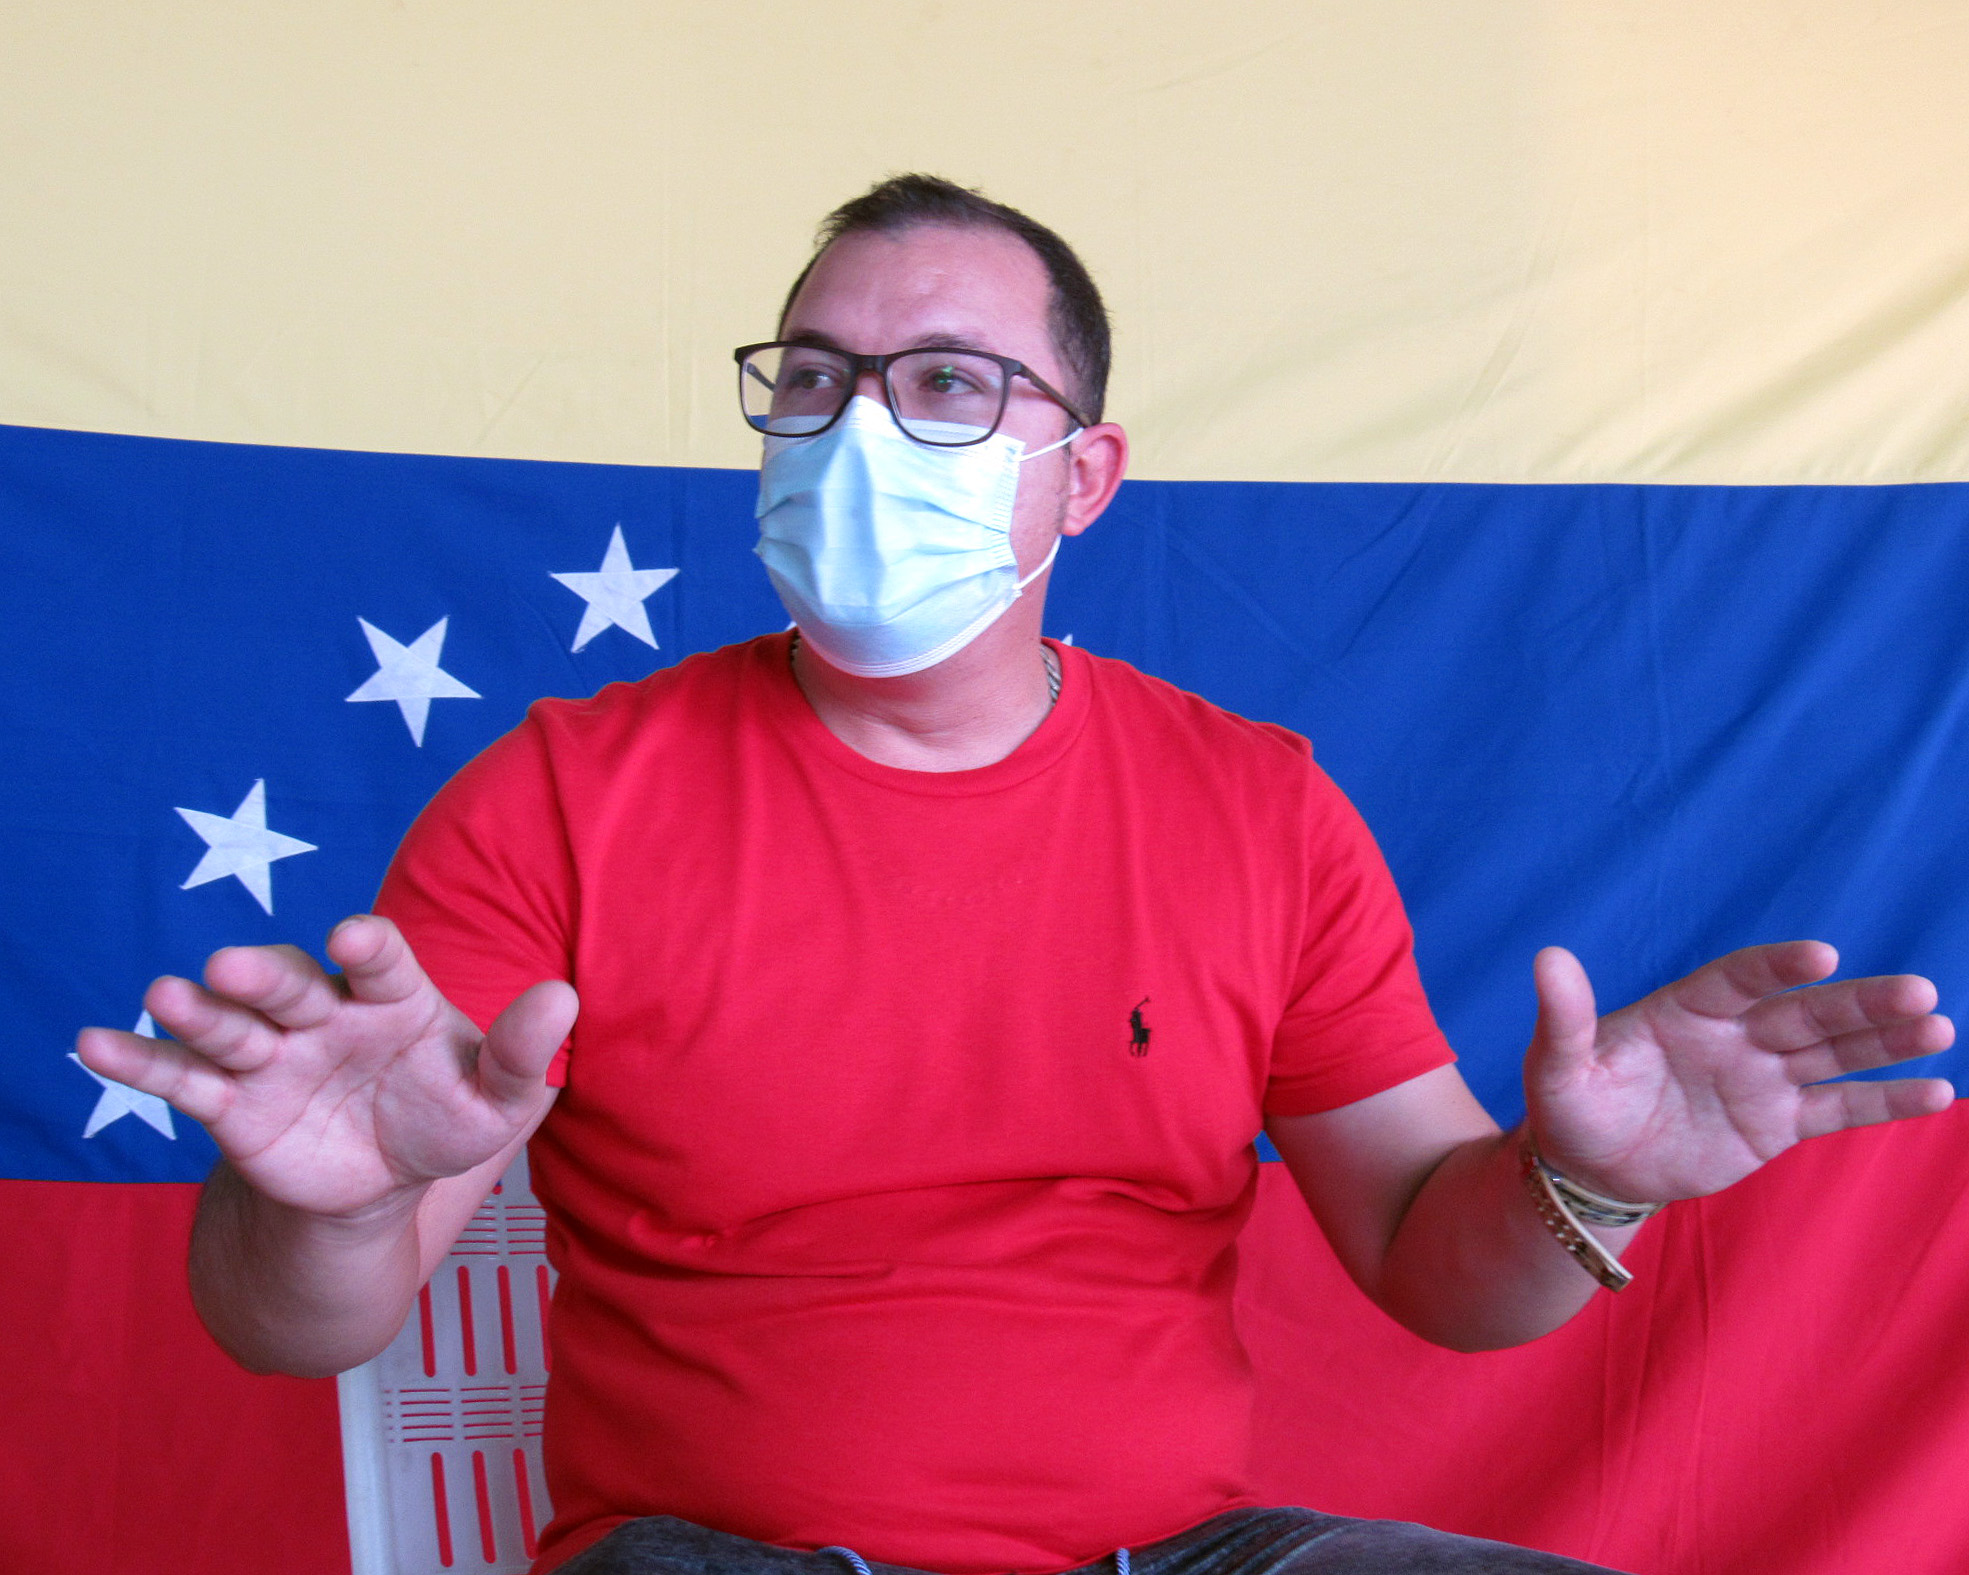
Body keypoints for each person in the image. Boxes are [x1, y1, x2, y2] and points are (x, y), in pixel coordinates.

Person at [76, 175, 1955, 1575]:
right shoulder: (562, 797)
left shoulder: (1256, 807)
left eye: (948, 384)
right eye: (816, 377)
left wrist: (1580, 1181)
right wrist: (325, 1209)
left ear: (1084, 475)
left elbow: (1434, 1268)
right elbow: (288, 1323)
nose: (859, 426)